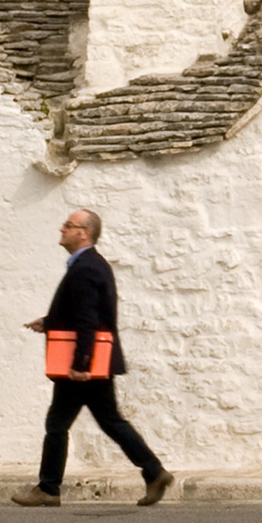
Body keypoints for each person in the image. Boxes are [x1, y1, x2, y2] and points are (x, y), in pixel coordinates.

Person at [12, 208, 174, 507]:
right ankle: (154, 472)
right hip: (95, 362)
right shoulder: (88, 265)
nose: (62, 229)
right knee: (110, 421)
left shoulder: (85, 267)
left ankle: (48, 489)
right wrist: (49, 322)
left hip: (85, 366)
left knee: (58, 424)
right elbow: (82, 311)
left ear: (83, 233)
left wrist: (80, 364)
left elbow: (88, 320)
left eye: (69, 226)